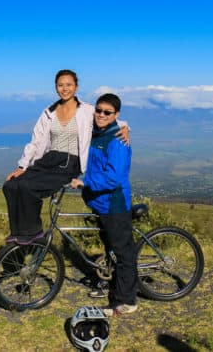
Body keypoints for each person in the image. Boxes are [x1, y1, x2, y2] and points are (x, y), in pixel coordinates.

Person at [3, 70, 128, 245]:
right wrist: (22, 167)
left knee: (27, 186)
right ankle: (19, 233)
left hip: (70, 163)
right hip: (48, 160)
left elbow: (108, 117)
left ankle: (33, 232)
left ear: (76, 87)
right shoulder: (49, 112)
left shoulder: (87, 110)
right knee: (10, 185)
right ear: (56, 87)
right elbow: (35, 141)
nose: (65, 88)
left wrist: (125, 128)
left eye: (69, 85)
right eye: (61, 85)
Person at [70, 93, 137, 317]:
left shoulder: (117, 139)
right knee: (111, 249)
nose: (101, 114)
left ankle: (127, 301)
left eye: (107, 112)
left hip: (114, 204)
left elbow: (114, 178)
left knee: (123, 253)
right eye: (98, 110)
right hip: (101, 203)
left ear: (116, 114)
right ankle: (111, 285)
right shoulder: (99, 132)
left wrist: (84, 182)